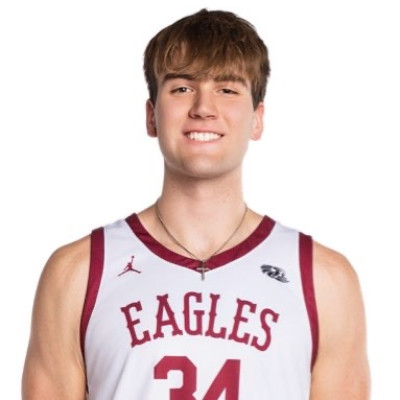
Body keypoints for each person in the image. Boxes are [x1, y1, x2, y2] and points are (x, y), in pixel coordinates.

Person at [22, 9, 370, 399]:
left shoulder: (324, 279)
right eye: (182, 88)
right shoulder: (78, 273)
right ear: (152, 116)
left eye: (227, 89)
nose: (203, 107)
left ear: (257, 119)